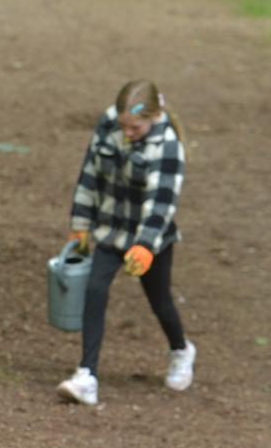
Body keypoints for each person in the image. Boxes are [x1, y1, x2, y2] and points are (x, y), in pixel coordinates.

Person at [57, 79, 196, 406]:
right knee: (95, 289)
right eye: (124, 126)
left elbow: (160, 204)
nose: (128, 132)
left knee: (159, 299)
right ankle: (86, 374)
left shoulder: (168, 146)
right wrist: (80, 224)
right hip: (110, 227)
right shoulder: (109, 122)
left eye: (136, 127)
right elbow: (89, 172)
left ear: (155, 115)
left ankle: (181, 349)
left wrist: (145, 245)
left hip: (149, 236)